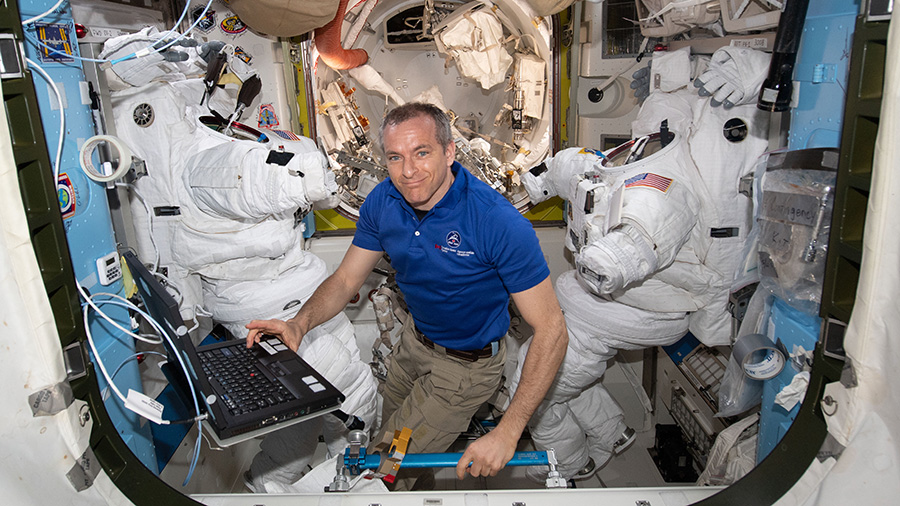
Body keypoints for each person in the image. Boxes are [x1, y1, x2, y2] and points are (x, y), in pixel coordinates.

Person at [246, 102, 568, 490]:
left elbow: (552, 328)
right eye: (395, 157)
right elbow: (347, 279)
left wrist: (509, 431)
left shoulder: (496, 221)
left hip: (465, 369)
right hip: (413, 345)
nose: (408, 171)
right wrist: (299, 324)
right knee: (394, 441)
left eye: (422, 153)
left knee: (381, 471)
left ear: (449, 152)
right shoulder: (384, 202)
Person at [512, 45, 772, 482]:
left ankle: (565, 467)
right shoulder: (633, 161)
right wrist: (537, 182)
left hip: (629, 308)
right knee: (557, 372)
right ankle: (613, 434)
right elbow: (578, 170)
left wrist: (606, 261)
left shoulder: (663, 191)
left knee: (533, 392)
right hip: (598, 304)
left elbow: (645, 233)